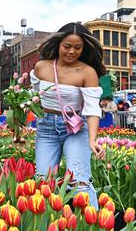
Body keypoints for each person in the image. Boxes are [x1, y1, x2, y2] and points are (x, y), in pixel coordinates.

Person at [30, 22, 106, 210]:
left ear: (84, 48)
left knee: (79, 181)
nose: (72, 51)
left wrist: (92, 140)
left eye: (77, 47)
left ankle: (95, 230)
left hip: (76, 129)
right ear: (58, 44)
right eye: (67, 46)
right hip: (46, 128)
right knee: (43, 182)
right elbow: (33, 98)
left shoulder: (88, 72)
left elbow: (92, 109)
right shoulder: (41, 67)